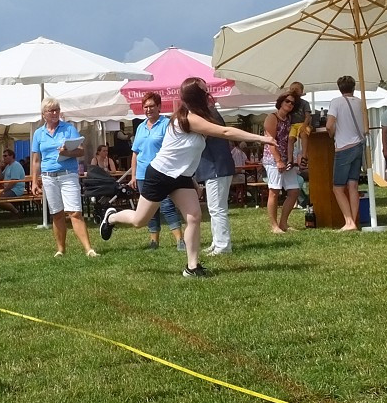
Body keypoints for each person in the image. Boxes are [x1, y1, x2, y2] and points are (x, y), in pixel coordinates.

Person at [100, 78, 273, 276]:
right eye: (204, 90)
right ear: (197, 96)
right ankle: (111, 217)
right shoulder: (189, 118)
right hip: (160, 175)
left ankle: (192, 267)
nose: (208, 92)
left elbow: (187, 155)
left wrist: (190, 179)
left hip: (181, 177)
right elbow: (225, 131)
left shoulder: (197, 117)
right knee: (140, 221)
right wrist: (262, 138)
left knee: (194, 217)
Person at [29, 98, 98, 257]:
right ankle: (61, 249)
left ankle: (89, 249)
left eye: (57, 110)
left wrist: (67, 153)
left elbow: (81, 151)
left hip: (68, 174)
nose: (54, 113)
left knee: (75, 212)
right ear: (43, 114)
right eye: (51, 110)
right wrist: (34, 181)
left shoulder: (69, 129)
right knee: (57, 213)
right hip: (48, 176)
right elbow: (36, 160)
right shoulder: (39, 133)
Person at [128, 92, 185, 251]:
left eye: (152, 106)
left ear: (159, 107)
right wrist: (133, 175)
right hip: (142, 175)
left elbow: (173, 147)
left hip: (161, 173)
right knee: (149, 210)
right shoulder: (140, 126)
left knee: (167, 206)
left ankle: (180, 240)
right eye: (145, 107)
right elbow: (135, 152)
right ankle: (154, 242)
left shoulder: (167, 124)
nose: (148, 109)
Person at [325, 75, 366, 231]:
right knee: (353, 185)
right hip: (358, 145)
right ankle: (354, 221)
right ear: (353, 87)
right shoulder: (360, 102)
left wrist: (332, 135)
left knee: (338, 187)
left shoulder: (336, 102)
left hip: (344, 147)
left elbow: (329, 125)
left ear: (339, 88)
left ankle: (348, 221)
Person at [196, 103, 237, 253]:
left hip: (217, 168)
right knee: (215, 208)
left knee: (217, 209)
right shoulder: (209, 113)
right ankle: (217, 241)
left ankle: (223, 245)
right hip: (216, 167)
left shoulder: (208, 114)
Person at [262, 92, 301, 234]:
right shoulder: (272, 118)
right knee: (274, 191)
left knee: (294, 190)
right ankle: (274, 226)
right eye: (287, 101)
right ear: (280, 102)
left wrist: (290, 158)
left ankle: (283, 223)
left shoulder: (289, 119)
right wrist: (278, 160)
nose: (290, 104)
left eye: (292, 103)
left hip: (286, 159)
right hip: (273, 159)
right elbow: (270, 140)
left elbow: (290, 140)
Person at [0, 148, 26, 217]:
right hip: (10, 189)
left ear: (11, 156)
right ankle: (14, 210)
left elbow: (13, 182)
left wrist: (3, 191)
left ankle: (16, 212)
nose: (4, 158)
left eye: (5, 156)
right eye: (3, 156)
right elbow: (0, 178)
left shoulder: (15, 165)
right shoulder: (8, 166)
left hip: (16, 189)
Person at [287, 81, 312, 167]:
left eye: (296, 89)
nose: (294, 91)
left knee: (304, 134)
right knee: (290, 139)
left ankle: (304, 156)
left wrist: (304, 125)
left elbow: (308, 116)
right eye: (292, 89)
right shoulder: (289, 103)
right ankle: (290, 160)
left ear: (301, 92)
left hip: (303, 123)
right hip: (293, 125)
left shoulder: (304, 103)